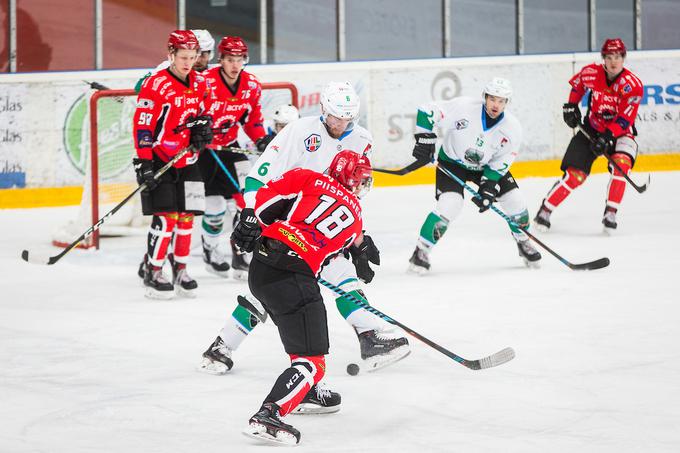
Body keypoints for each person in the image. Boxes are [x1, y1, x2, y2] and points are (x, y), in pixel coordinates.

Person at [199, 81, 410, 381]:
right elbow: (262, 173)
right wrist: (251, 213)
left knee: (331, 275)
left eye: (347, 119)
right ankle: (222, 346)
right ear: (323, 109)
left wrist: (356, 238)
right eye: (335, 117)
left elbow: (353, 187)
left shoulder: (362, 139)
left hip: (318, 219)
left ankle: (369, 337)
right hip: (284, 213)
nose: (340, 124)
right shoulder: (299, 131)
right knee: (278, 284)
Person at [243, 151, 373, 446]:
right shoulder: (355, 218)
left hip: (261, 266)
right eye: (360, 180)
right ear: (351, 180)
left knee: (297, 338)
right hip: (293, 277)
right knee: (314, 361)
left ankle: (305, 390)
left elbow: (262, 203)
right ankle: (269, 413)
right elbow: (328, 256)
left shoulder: (307, 177)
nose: (361, 186)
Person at [408, 77, 541, 274]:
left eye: (501, 101)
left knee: (516, 201)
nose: (496, 105)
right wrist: (424, 139)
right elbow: (427, 110)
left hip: (486, 167)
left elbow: (499, 163)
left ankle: (523, 242)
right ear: (485, 97)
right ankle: (421, 251)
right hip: (452, 163)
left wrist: (488, 188)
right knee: (449, 205)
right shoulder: (464, 108)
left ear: (507, 103)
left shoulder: (512, 129)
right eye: (493, 99)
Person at [133, 30, 213, 299]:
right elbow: (143, 126)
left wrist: (203, 131)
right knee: (166, 219)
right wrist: (145, 163)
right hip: (159, 159)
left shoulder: (201, 83)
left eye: (193, 57)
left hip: (188, 159)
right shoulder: (155, 85)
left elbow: (203, 115)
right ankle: (153, 271)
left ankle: (180, 268)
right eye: (183, 57)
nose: (188, 62)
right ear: (170, 55)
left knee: (187, 218)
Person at [534, 38, 643, 233]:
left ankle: (611, 212)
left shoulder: (632, 85)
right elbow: (578, 85)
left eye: (617, 57)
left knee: (622, 165)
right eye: (609, 57)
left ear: (623, 58)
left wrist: (608, 137)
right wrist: (571, 106)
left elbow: (625, 119)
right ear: (604, 58)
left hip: (620, 134)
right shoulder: (592, 72)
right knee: (575, 176)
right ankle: (545, 210)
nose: (613, 62)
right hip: (591, 128)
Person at [200, 36, 274, 279]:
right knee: (215, 208)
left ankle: (240, 253)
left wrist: (261, 139)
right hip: (203, 152)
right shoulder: (205, 82)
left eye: (239, 59)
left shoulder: (251, 85)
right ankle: (210, 250)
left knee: (246, 201)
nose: (234, 65)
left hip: (231, 148)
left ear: (245, 60)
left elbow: (251, 120)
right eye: (230, 59)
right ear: (220, 59)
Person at [134, 29, 215, 93]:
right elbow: (138, 88)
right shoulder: (166, 67)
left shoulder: (217, 73)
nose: (198, 60)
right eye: (186, 56)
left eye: (203, 55)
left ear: (210, 54)